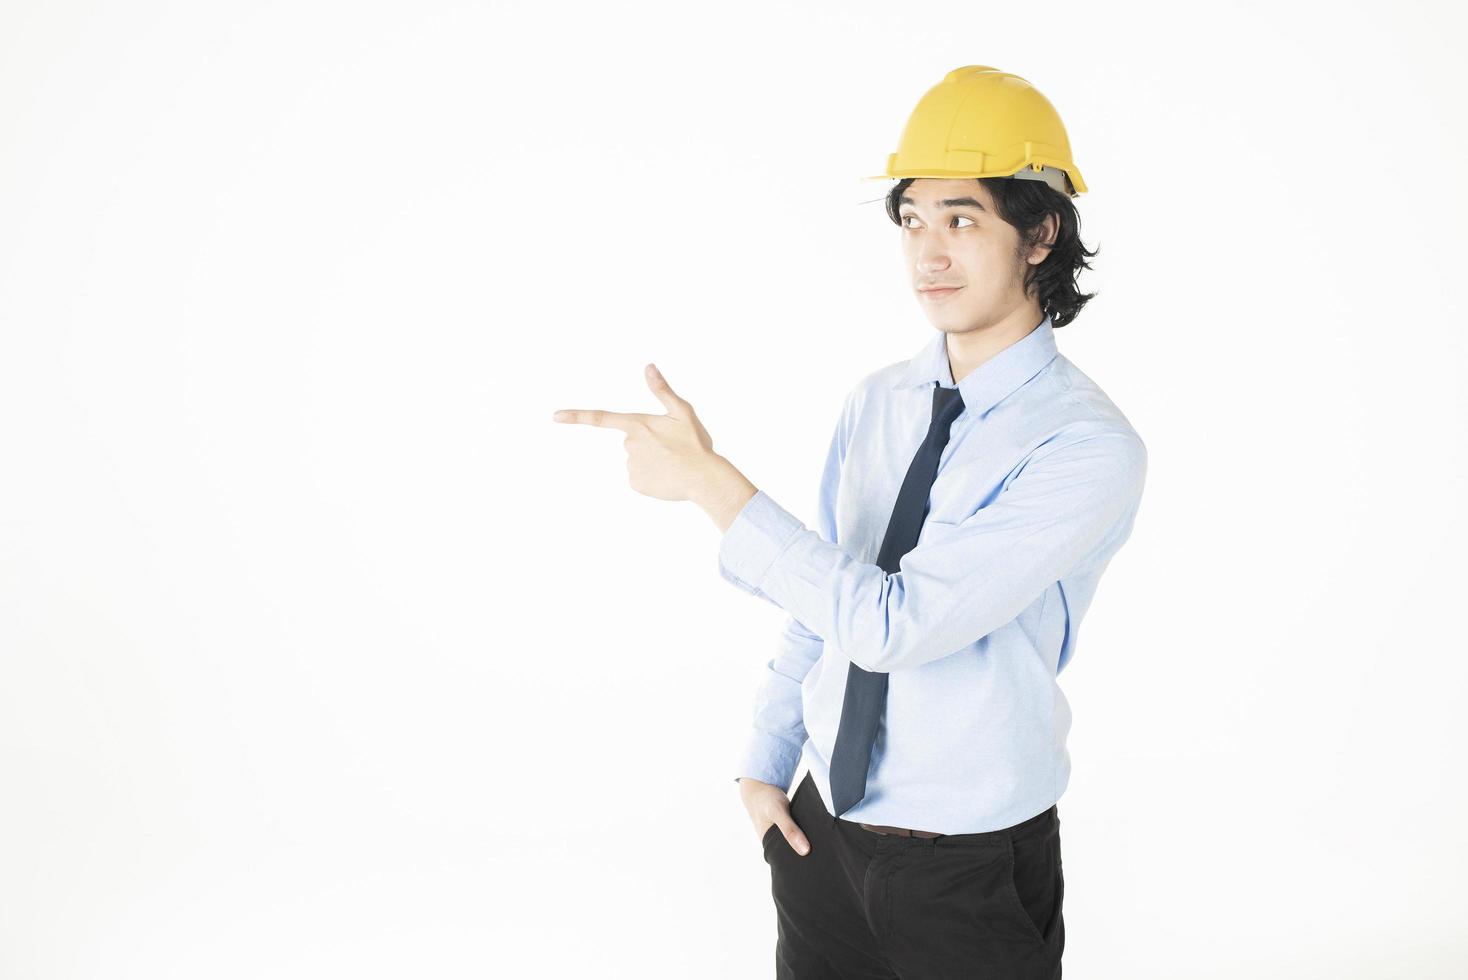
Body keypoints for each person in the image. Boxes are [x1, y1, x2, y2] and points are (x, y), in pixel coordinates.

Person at [552, 65, 1146, 978]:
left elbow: (894, 623)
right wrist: (766, 763)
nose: (928, 255)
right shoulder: (879, 402)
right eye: (913, 221)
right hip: (821, 833)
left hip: (966, 862)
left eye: (962, 219)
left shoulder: (1084, 447)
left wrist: (714, 487)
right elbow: (826, 599)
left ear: (1040, 234)